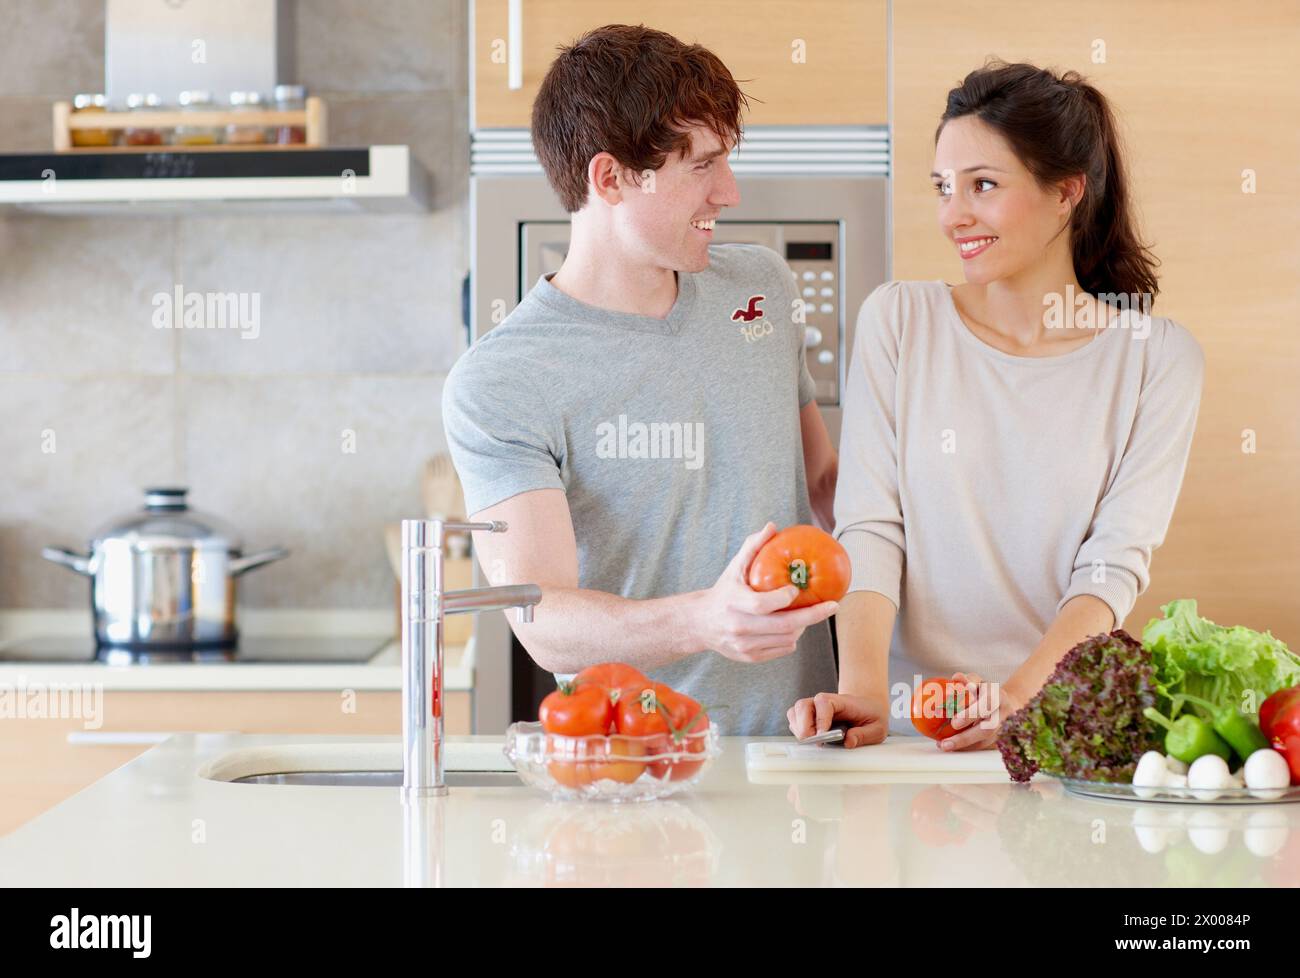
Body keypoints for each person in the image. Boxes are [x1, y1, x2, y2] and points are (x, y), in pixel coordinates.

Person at [788, 61, 1205, 750]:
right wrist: (862, 691)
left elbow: (1111, 568)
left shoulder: (1156, 358)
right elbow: (870, 526)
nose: (954, 215)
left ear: (1067, 192)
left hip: (1052, 735)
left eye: (983, 185)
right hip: (906, 728)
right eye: (943, 188)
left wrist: (1014, 700)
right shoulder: (899, 321)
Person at [443, 25, 840, 735]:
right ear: (610, 178)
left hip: (804, 750)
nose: (730, 191)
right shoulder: (501, 380)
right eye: (702, 166)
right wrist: (706, 621)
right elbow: (541, 616)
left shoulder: (760, 288)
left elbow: (824, 488)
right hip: (634, 761)